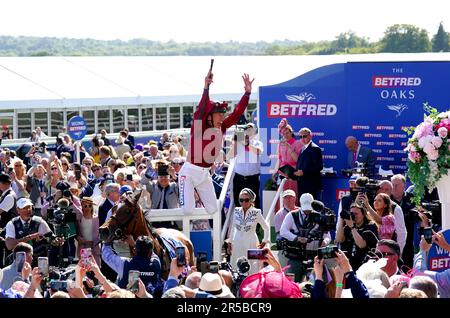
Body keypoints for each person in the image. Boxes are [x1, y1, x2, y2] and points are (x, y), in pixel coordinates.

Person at [178, 70, 254, 215]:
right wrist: (206, 87)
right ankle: (187, 191)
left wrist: (247, 94)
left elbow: (237, 113)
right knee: (187, 210)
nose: (222, 118)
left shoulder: (222, 127)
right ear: (209, 117)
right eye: (219, 115)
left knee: (213, 209)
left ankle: (194, 193)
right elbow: (201, 108)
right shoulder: (199, 125)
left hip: (204, 174)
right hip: (189, 172)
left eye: (222, 115)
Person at [280, 193, 331, 282]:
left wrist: (325, 242)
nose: (307, 211)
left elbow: (327, 236)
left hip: (314, 256)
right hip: (296, 256)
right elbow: (283, 231)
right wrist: (296, 238)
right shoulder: (292, 215)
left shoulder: (319, 217)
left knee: (315, 283)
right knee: (293, 283)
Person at [228, 188, 270, 275]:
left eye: (246, 200)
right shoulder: (236, 211)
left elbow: (266, 227)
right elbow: (233, 228)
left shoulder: (256, 212)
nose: (243, 202)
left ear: (251, 200)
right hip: (237, 241)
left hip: (252, 242)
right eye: (241, 200)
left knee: (253, 266)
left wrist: (264, 241)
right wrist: (230, 242)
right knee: (236, 264)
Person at [335, 203, 379, 270]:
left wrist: (352, 228)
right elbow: (339, 239)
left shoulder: (370, 227)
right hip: (349, 264)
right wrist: (341, 220)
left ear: (363, 215)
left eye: (356, 214)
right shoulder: (348, 227)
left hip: (364, 265)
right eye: (352, 214)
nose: (353, 216)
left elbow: (361, 245)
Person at [230, 123, 263, 209]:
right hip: (239, 178)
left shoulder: (257, 143)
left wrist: (246, 144)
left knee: (254, 202)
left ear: (254, 131)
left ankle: (256, 222)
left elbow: (258, 151)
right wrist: (235, 142)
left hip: (253, 179)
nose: (248, 131)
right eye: (246, 129)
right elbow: (230, 155)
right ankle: (240, 222)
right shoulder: (238, 143)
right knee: (238, 203)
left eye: (250, 129)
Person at [145, 164, 180, 229]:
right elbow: (143, 183)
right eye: (161, 177)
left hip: (171, 221)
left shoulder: (174, 186)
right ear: (157, 178)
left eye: (166, 177)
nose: (163, 179)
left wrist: (174, 175)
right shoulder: (153, 186)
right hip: (155, 221)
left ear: (169, 178)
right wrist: (151, 172)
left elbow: (182, 187)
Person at [294, 127, 323, 200]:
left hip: (311, 184)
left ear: (310, 136)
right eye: (300, 137)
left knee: (310, 207)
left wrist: (304, 172)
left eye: (304, 136)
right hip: (301, 183)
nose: (302, 138)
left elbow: (319, 166)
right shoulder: (302, 148)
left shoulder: (315, 148)